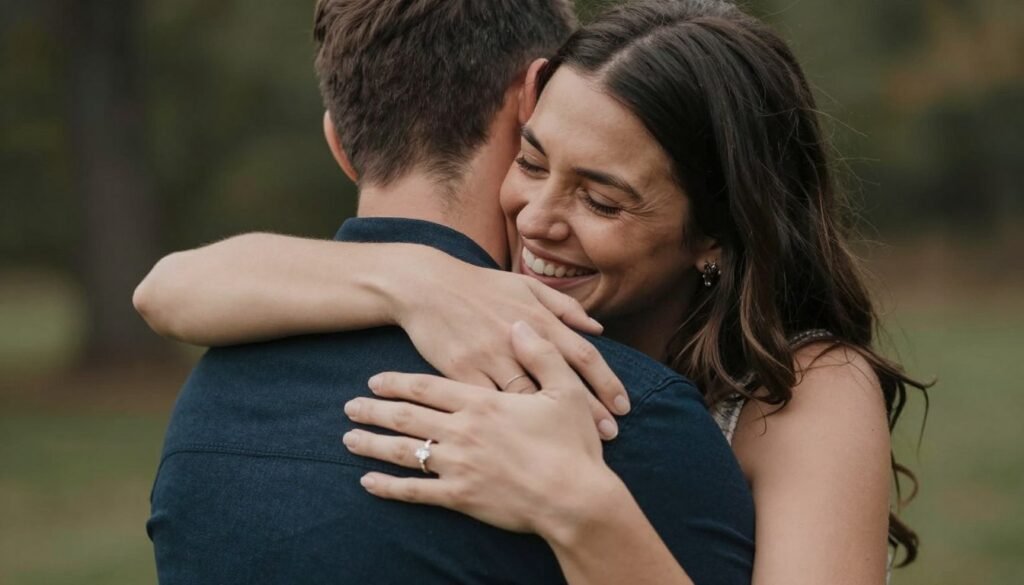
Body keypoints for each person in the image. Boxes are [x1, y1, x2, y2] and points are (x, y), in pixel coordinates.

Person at [139, 1, 757, 584]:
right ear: (532, 101)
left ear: (340, 144)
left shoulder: (206, 406)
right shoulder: (623, 416)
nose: (542, 220)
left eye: (601, 199)